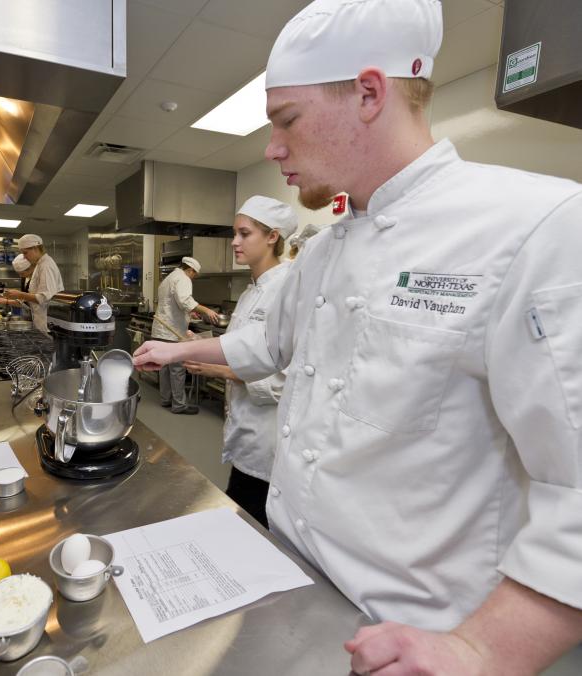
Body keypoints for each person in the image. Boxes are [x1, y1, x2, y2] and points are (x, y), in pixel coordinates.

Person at [132, 0, 582, 673]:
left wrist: (480, 650)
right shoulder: (320, 253)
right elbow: (264, 351)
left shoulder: (534, 226)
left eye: (287, 120)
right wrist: (178, 349)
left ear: (370, 93)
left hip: (412, 635)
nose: (272, 147)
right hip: (295, 590)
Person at [184, 196, 297, 527]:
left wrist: (218, 369)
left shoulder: (288, 289)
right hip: (244, 432)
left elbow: (283, 379)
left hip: (268, 439)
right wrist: (201, 345)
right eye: (234, 233)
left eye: (244, 234)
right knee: (241, 514)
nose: (234, 242)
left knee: (255, 521)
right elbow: (240, 346)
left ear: (272, 236)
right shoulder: (251, 292)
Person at [151, 256, 218, 415]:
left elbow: (175, 302)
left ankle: (166, 399)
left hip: (161, 328)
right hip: (172, 331)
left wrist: (190, 312)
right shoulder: (183, 278)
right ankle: (179, 405)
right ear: (191, 270)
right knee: (177, 369)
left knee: (164, 367)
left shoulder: (170, 277)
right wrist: (206, 310)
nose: (194, 277)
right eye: (195, 274)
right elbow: (185, 300)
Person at [0, 234, 63, 333]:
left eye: (25, 253)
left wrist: (19, 294)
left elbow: (44, 297)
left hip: (47, 322)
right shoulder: (40, 264)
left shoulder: (46, 266)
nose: (24, 257)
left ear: (35, 248)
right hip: (41, 321)